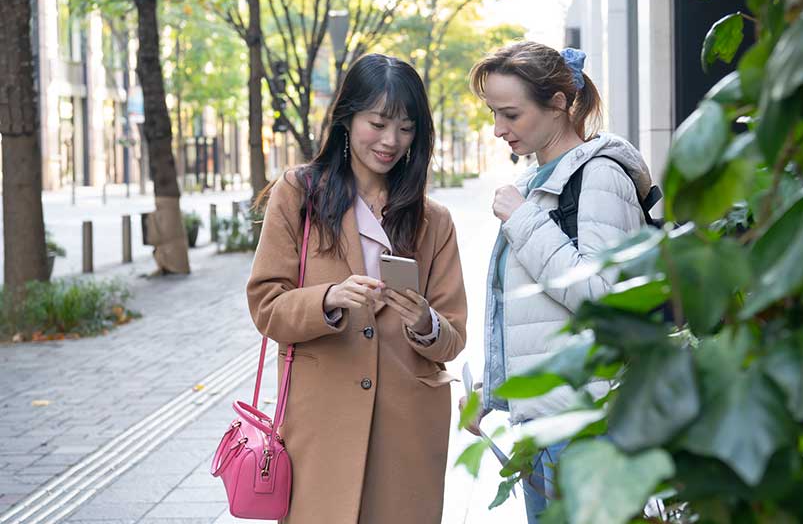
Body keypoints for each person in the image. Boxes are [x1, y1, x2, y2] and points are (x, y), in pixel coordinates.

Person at [247, 54, 467, 524]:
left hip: (408, 425)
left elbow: (453, 336)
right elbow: (266, 306)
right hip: (321, 420)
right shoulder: (299, 194)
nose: (391, 141)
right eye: (378, 123)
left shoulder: (434, 221)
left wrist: (425, 322)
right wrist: (327, 299)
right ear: (347, 118)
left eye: (406, 128)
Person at [461, 41, 653, 523]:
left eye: (511, 114)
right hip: (546, 426)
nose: (499, 129)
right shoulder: (541, 182)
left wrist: (524, 222)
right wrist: (492, 391)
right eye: (493, 113)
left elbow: (606, 297)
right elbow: (538, 319)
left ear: (560, 105)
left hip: (589, 427)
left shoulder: (600, 175)